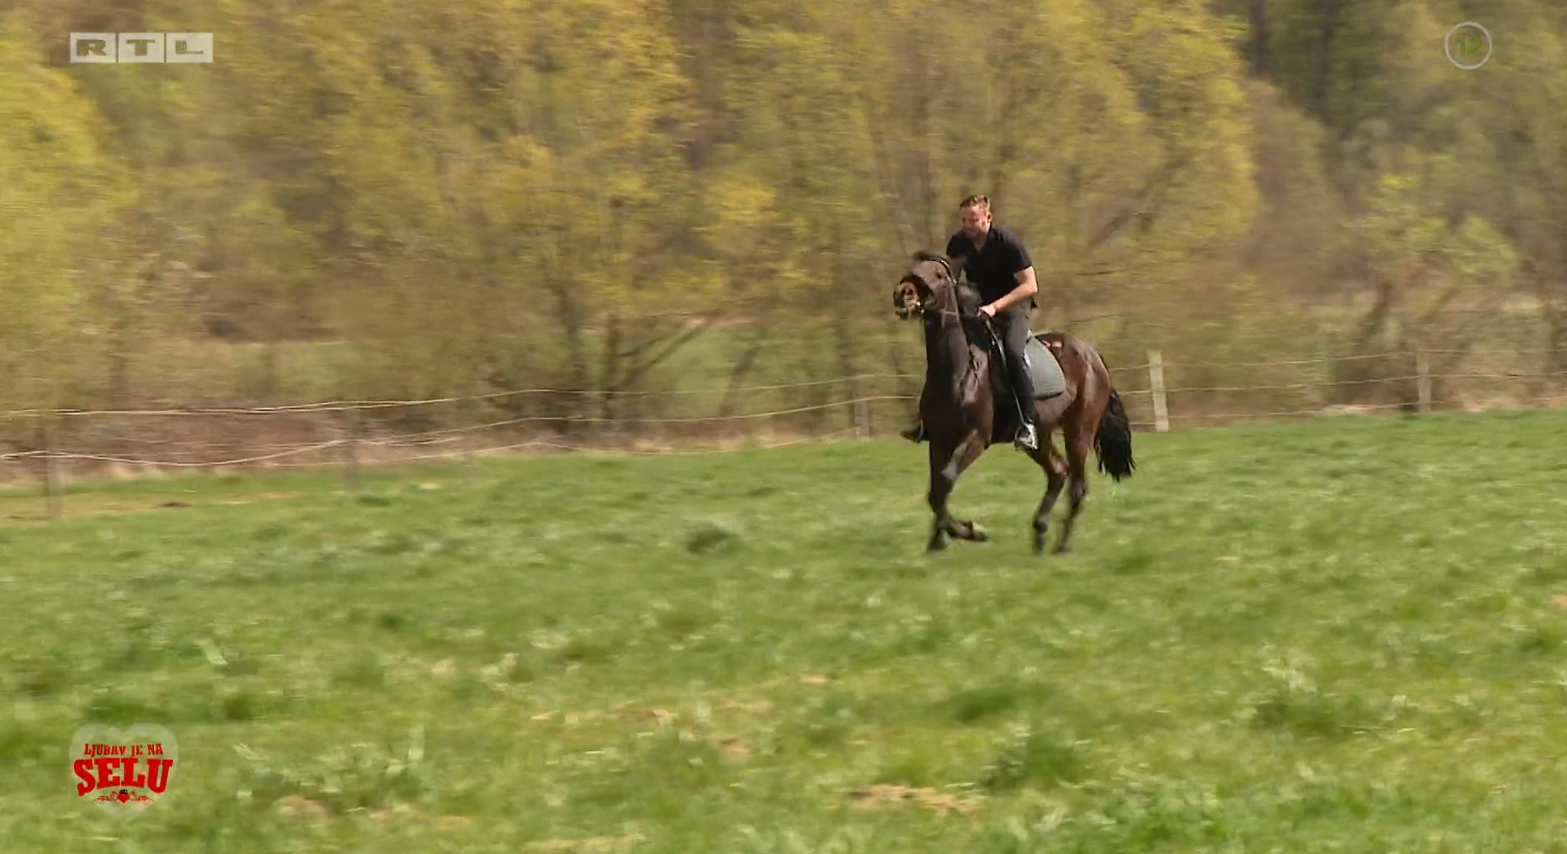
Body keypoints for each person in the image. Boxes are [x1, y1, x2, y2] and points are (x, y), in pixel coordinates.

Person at [902, 194, 1041, 451]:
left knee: (1011, 351)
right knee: (944, 348)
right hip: (976, 306)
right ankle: (929, 419)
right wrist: (924, 303)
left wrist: (995, 306)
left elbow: (1030, 286)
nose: (967, 225)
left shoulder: (1008, 243)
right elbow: (948, 283)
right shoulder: (958, 243)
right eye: (964, 220)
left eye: (973, 219)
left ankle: (1027, 424)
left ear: (988, 218)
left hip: (1013, 308)